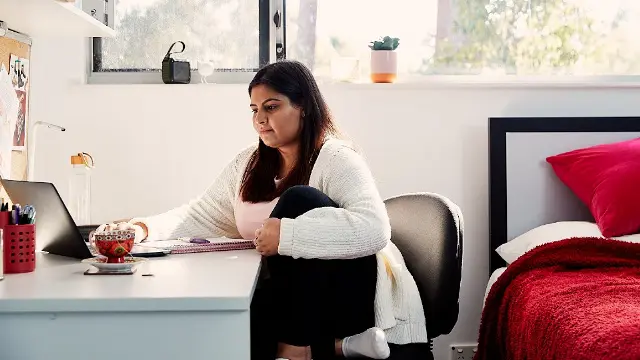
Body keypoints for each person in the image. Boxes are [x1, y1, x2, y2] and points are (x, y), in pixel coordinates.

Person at [99, 60, 428, 360]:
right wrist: (140, 228)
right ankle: (326, 348)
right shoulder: (250, 163)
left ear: (304, 108)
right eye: (254, 109)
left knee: (300, 200)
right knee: (229, 321)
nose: (260, 119)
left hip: (350, 294)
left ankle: (296, 348)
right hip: (286, 297)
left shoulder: (336, 158)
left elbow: (374, 228)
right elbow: (199, 214)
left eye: (272, 107)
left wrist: (288, 234)